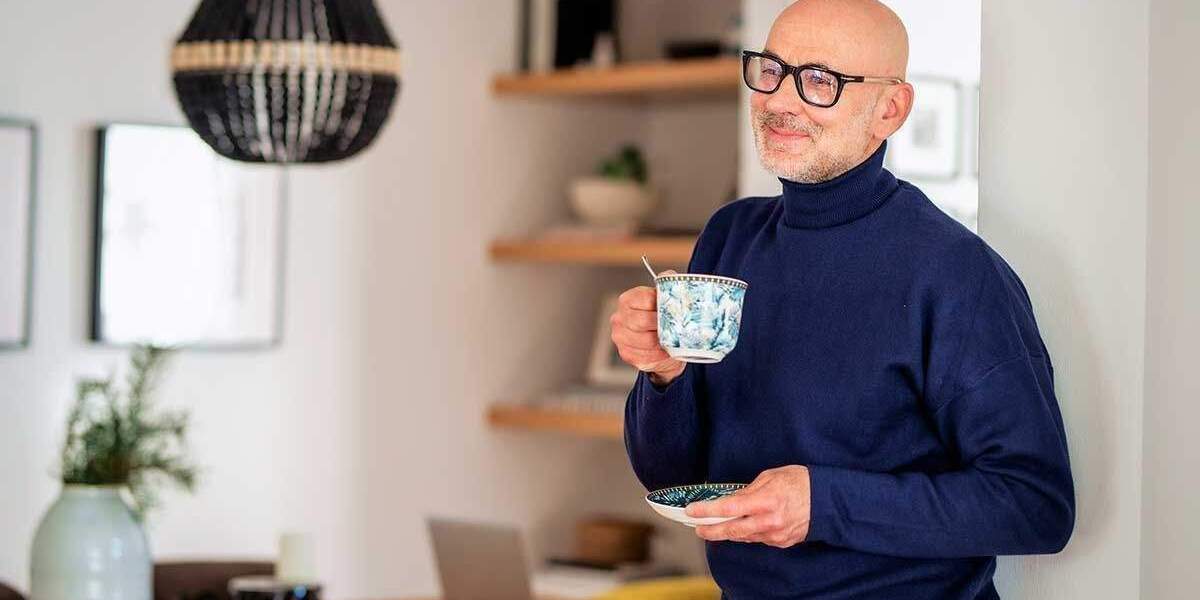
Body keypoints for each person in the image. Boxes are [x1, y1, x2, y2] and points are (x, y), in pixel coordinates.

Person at [610, 1, 1075, 598]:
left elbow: (1035, 504)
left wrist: (823, 504)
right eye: (771, 69)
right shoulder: (729, 237)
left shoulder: (954, 273)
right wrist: (664, 375)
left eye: (820, 81)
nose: (780, 100)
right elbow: (670, 476)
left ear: (890, 110)